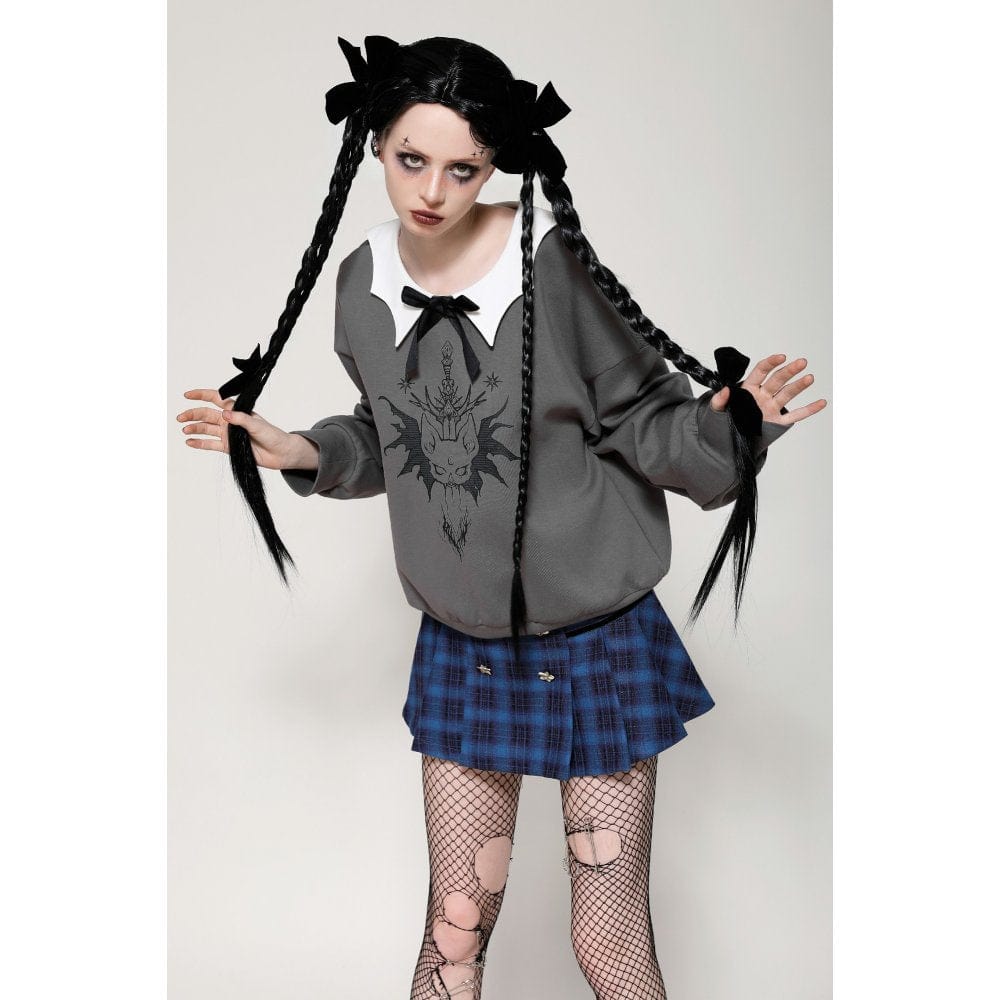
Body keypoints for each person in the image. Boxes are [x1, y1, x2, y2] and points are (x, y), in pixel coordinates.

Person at [177, 34, 825, 1000]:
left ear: (495, 166)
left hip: (599, 643)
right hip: (463, 645)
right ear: (375, 142)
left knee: (606, 939)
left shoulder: (551, 264)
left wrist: (732, 428)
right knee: (453, 934)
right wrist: (304, 451)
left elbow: (644, 419)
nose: (431, 190)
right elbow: (388, 434)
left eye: (463, 168)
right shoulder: (360, 283)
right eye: (410, 159)